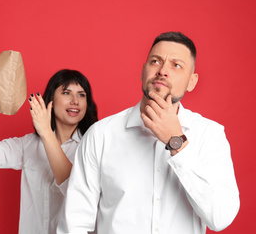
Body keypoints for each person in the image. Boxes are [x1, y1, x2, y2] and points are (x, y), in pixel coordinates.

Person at [57, 32, 240, 234]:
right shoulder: (101, 135)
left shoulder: (210, 135)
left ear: (192, 81)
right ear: (143, 71)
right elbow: (74, 223)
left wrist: (176, 141)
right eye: (156, 61)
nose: (163, 71)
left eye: (176, 65)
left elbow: (220, 218)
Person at [0, 69, 98, 234]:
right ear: (51, 99)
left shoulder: (92, 146)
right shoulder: (29, 144)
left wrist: (45, 131)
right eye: (67, 93)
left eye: (82, 95)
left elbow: (73, 190)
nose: (75, 101)